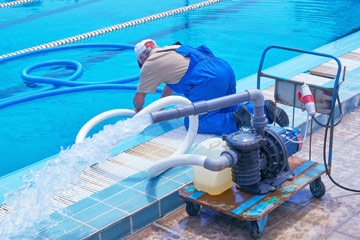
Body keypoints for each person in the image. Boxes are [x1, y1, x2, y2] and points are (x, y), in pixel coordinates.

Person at [132, 39, 289, 134]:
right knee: (227, 108)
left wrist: (139, 113)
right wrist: (159, 111)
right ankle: (261, 109)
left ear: (141, 58)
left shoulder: (150, 64)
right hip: (223, 68)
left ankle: (238, 120)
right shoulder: (172, 48)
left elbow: (139, 100)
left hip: (206, 78)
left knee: (195, 122)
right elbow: (168, 89)